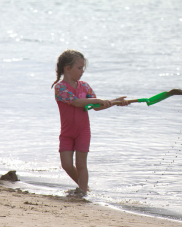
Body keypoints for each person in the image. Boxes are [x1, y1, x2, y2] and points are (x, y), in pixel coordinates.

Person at [52, 49, 130, 194]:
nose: (82, 71)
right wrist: (98, 100)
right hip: (67, 133)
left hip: (83, 131)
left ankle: (82, 193)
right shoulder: (60, 88)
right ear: (67, 69)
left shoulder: (85, 86)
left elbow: (96, 107)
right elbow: (76, 102)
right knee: (67, 165)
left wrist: (114, 102)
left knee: (81, 164)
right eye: (79, 68)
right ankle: (85, 188)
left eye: (83, 68)